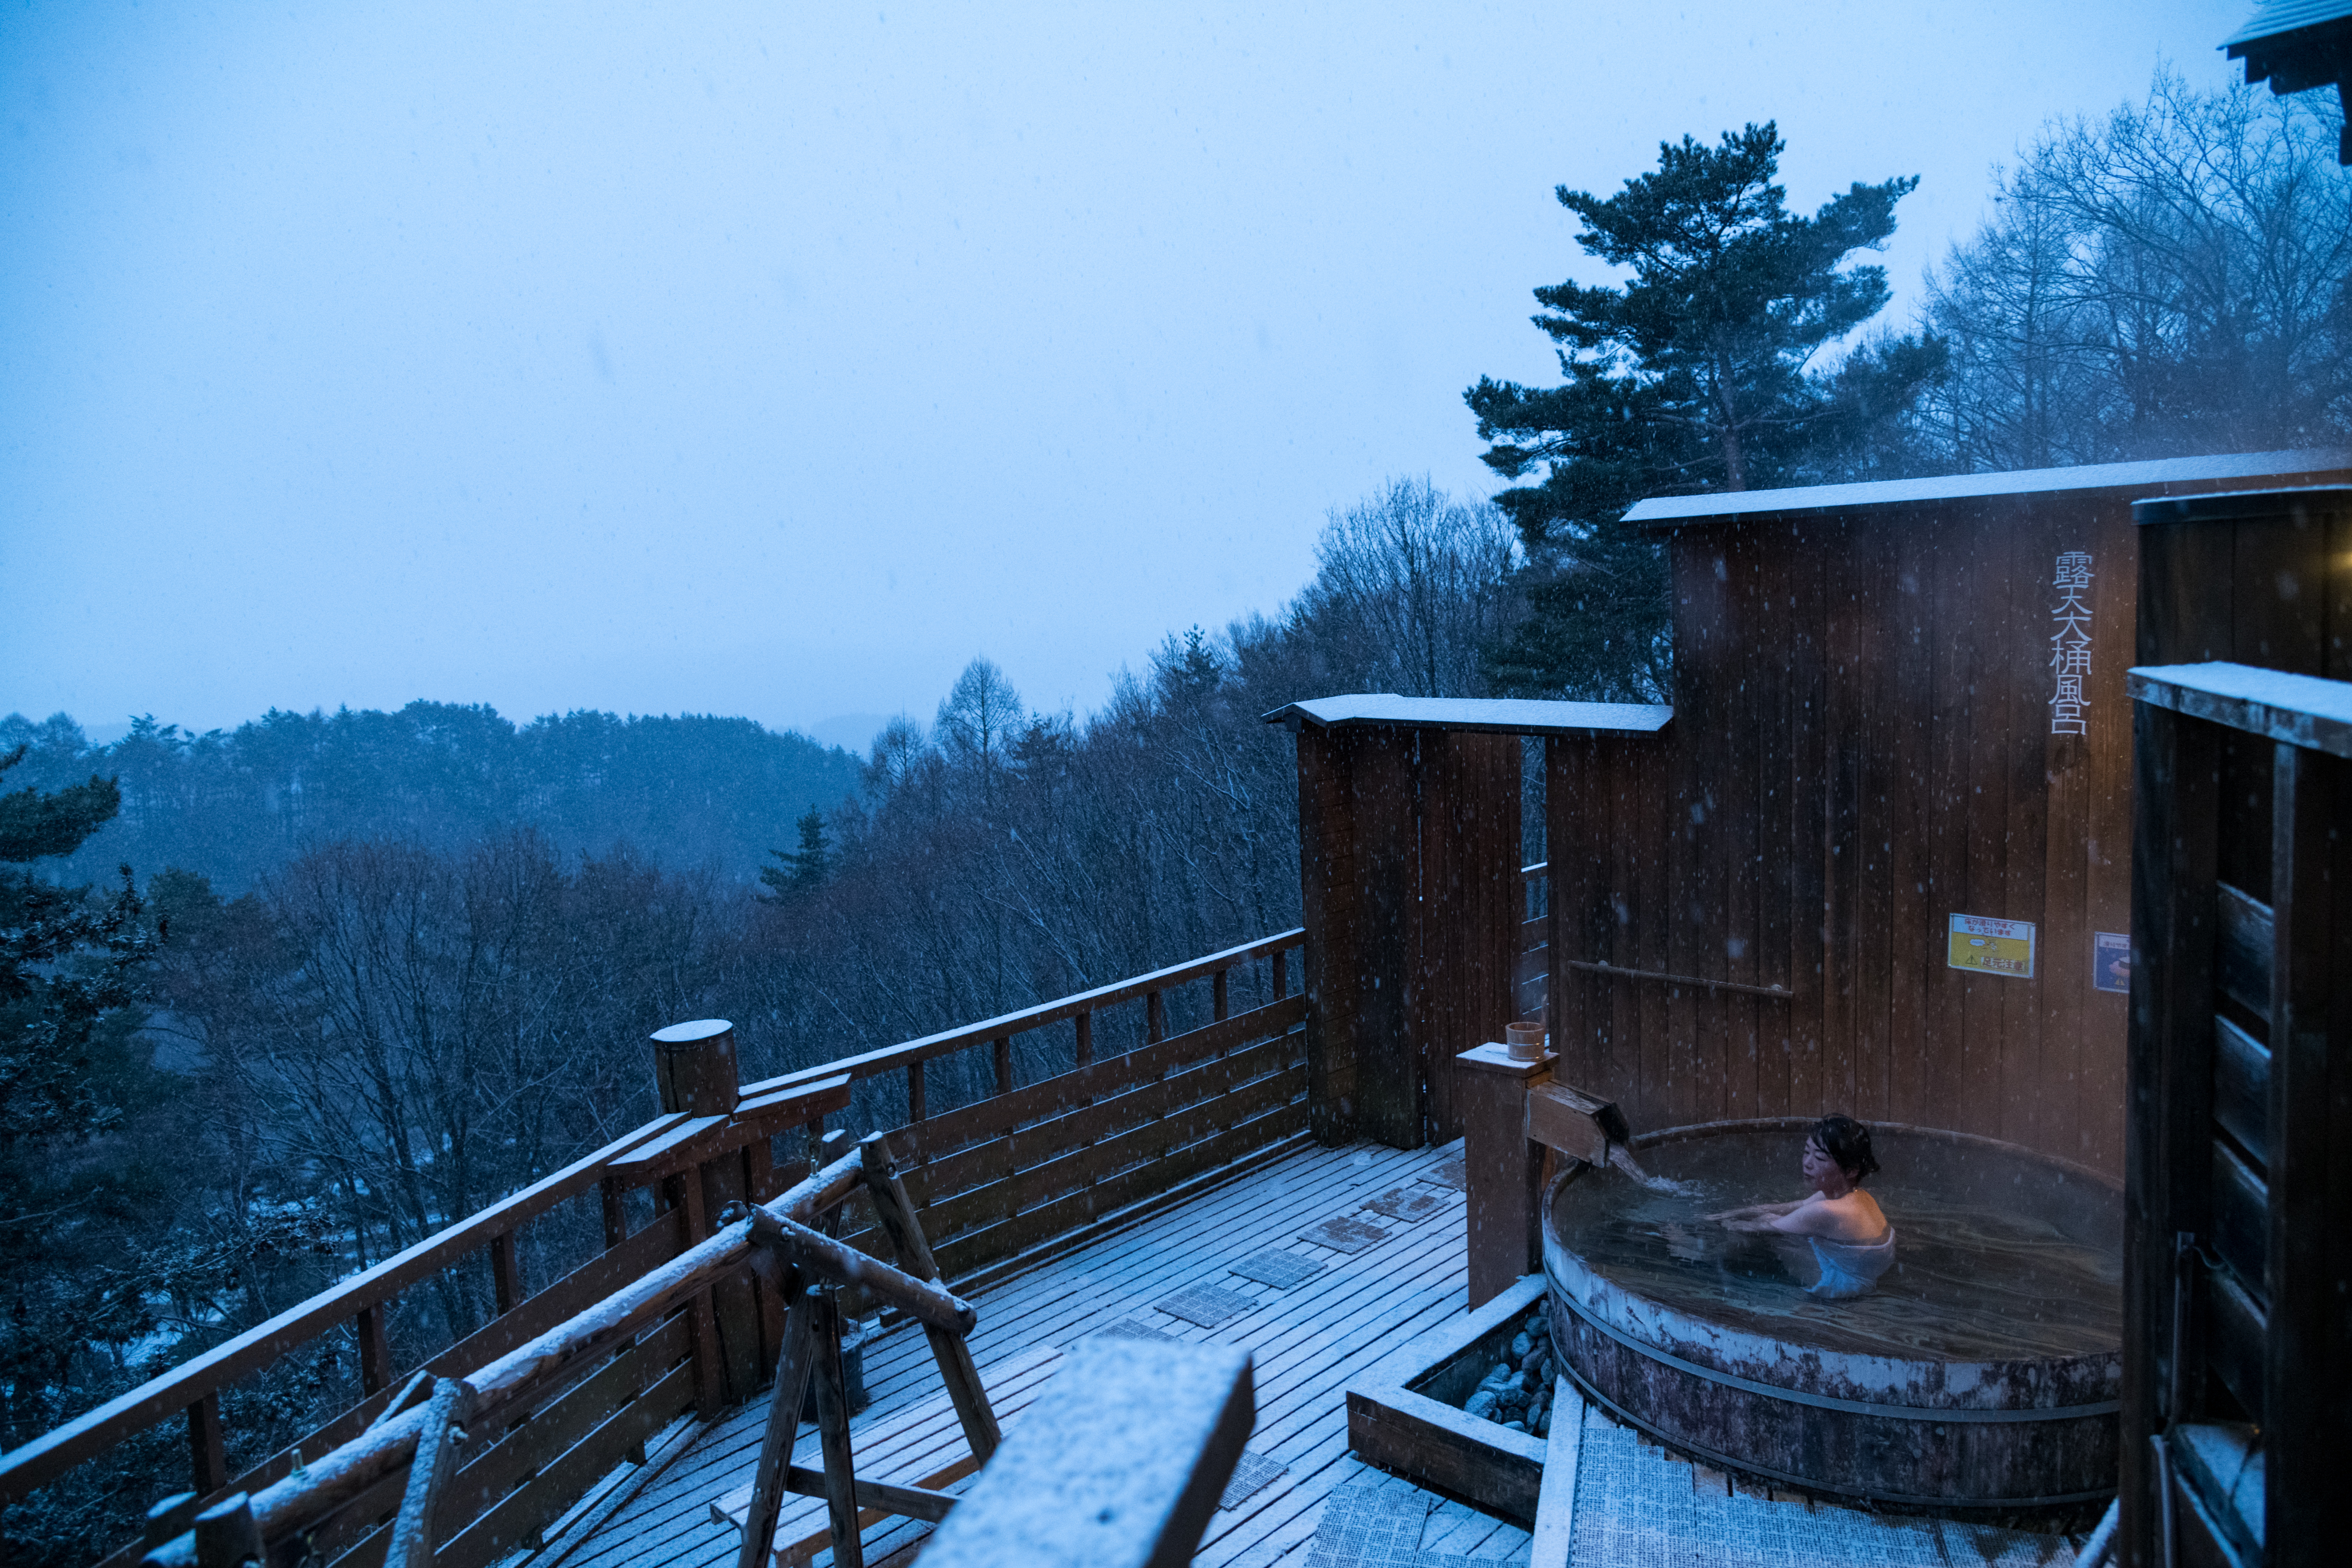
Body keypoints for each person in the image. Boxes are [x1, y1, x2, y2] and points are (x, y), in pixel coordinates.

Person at [1705, 1115, 1893, 1298]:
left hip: (1842, 1286)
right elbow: (1783, 1208)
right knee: (1776, 1220)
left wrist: (1711, 1225)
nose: (1807, 1164)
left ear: (1852, 1170)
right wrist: (1720, 1215)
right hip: (1862, 1270)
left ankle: (1706, 1262)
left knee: (1768, 1231)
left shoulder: (1827, 1211)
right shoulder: (1858, 1196)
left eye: (1819, 1158)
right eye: (1806, 1152)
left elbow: (1758, 1228)